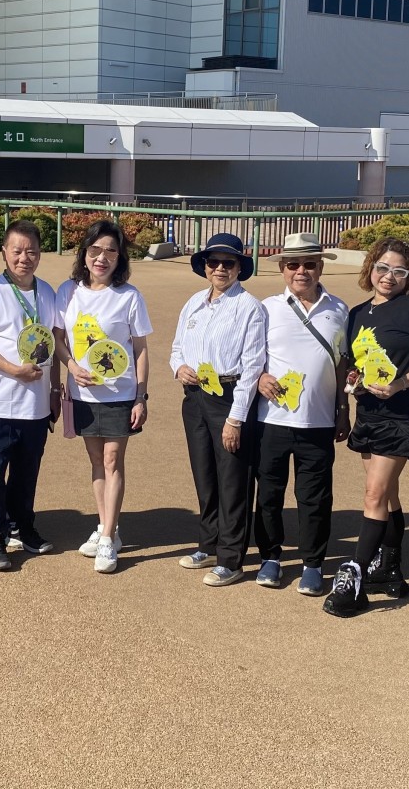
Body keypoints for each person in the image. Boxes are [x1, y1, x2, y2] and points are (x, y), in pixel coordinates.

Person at [323, 237, 409, 617]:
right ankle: (389, 567)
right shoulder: (358, 313)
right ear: (370, 268)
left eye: (399, 271)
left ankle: (355, 573)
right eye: (383, 268)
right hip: (369, 412)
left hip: (402, 414)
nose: (389, 276)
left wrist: (401, 383)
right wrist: (354, 385)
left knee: (373, 494)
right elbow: (353, 363)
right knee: (387, 495)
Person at [54, 219, 152, 574]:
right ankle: (105, 525)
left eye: (111, 251)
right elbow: (58, 339)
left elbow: (140, 349)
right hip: (82, 392)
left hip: (119, 393)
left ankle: (109, 538)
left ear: (119, 257)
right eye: (95, 250)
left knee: (112, 460)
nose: (102, 258)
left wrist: (140, 396)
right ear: (84, 253)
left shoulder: (129, 296)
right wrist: (70, 366)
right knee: (96, 460)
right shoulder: (68, 291)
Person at [254, 233, 349, 595]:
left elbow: (341, 364)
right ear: (282, 269)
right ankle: (271, 558)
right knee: (269, 494)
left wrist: (343, 410)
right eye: (293, 264)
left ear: (320, 267)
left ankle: (313, 563)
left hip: (318, 420)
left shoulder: (339, 309)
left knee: (315, 497)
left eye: (309, 264)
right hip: (271, 420)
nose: (301, 271)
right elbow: (252, 356)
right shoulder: (266, 308)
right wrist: (260, 377)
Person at [0, 220, 61, 571]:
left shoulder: (47, 292)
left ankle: (22, 525)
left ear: (40, 254)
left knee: (26, 471)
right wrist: (13, 369)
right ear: (4, 252)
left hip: (35, 404)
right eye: (17, 251)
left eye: (31, 251)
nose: (24, 258)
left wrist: (54, 390)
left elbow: (53, 345)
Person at [170, 233, 267, 587]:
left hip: (230, 395)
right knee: (205, 474)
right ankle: (208, 544)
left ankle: (230, 557)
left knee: (233, 478)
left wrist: (235, 419)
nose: (220, 268)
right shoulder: (194, 303)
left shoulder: (249, 307)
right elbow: (177, 348)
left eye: (229, 262)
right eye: (214, 262)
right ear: (205, 267)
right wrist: (179, 367)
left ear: (240, 267)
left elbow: (253, 366)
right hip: (195, 396)